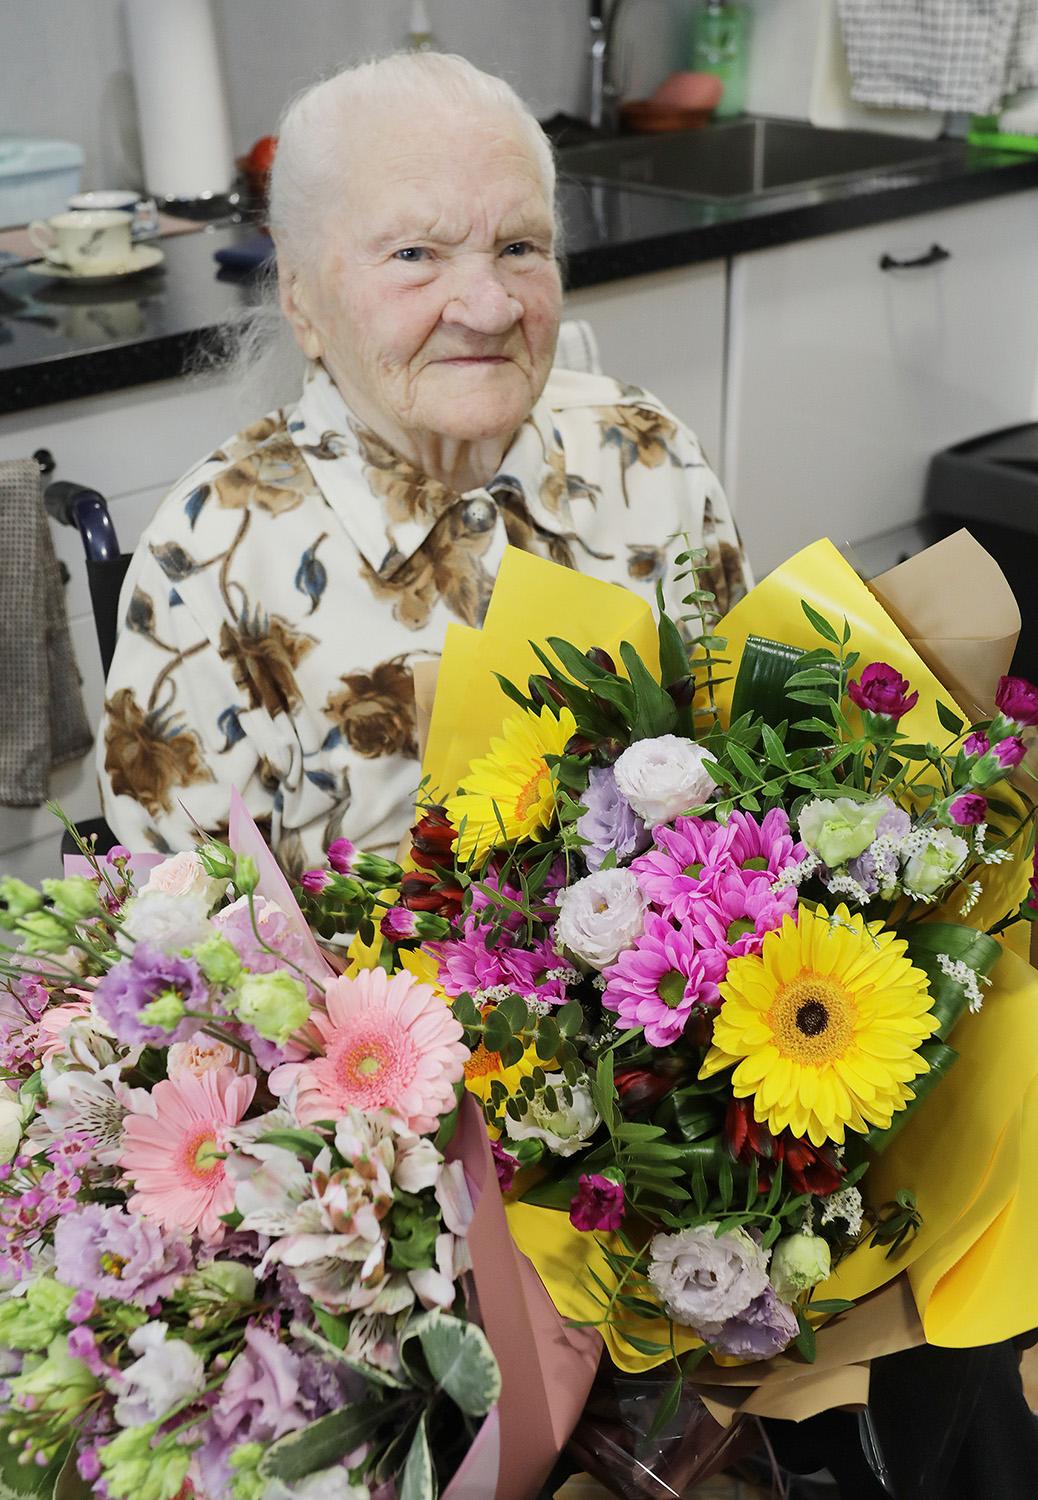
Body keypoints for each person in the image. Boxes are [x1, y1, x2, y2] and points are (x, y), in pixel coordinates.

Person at [96, 52, 749, 870]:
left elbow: (748, 780)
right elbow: (194, 962)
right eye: (414, 254)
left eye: (519, 246)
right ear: (300, 297)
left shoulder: (647, 452)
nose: (491, 306)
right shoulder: (208, 563)